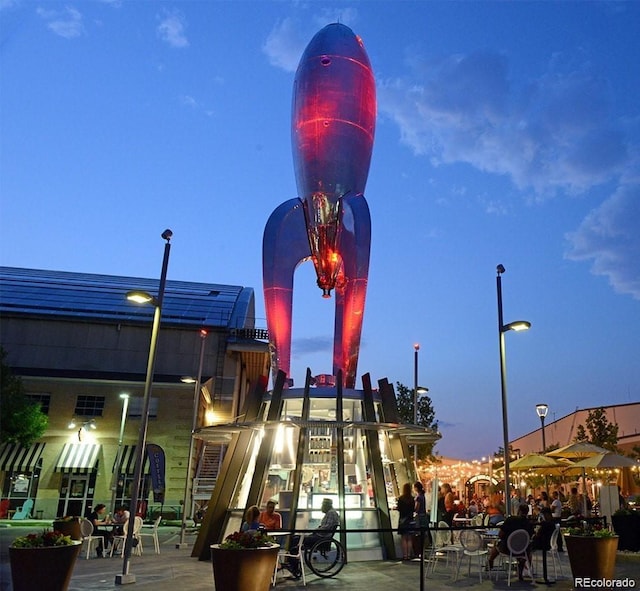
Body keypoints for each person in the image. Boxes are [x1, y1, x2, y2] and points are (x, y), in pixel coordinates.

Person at [285, 498, 340, 580]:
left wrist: (315, 530)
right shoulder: (331, 513)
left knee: (296, 540)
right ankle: (293, 566)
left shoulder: (331, 513)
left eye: (322, 505)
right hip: (320, 536)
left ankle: (294, 568)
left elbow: (326, 528)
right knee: (296, 538)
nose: (321, 507)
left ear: (326, 505)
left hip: (320, 538)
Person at [487, 503, 534, 579]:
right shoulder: (529, 524)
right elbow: (530, 537)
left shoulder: (511, 520)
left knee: (497, 545)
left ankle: (491, 560)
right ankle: (524, 567)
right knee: (527, 549)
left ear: (519, 511)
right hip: (523, 550)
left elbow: (500, 534)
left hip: (507, 549)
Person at [395, 483, 415, 560]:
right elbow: (413, 509)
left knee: (404, 538)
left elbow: (399, 508)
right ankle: (409, 555)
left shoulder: (401, 499)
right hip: (410, 519)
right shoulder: (412, 499)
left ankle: (405, 555)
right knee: (409, 538)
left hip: (402, 519)